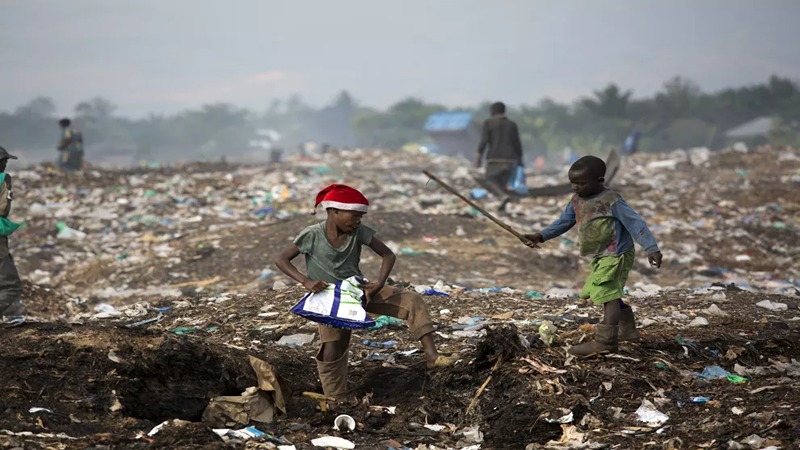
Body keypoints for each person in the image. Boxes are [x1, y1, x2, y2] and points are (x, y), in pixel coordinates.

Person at [273, 184, 457, 400]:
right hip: (329, 298)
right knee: (333, 343)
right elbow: (281, 259)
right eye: (355, 215)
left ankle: (432, 356)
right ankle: (335, 397)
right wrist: (306, 281)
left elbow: (388, 255)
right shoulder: (312, 235)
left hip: (358, 290)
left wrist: (378, 284)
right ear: (335, 211)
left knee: (411, 300)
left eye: (360, 216)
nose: (358, 221)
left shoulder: (358, 232)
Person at [520, 156, 662, 356]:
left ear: (600, 180)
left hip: (617, 254)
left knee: (607, 293)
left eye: (581, 183)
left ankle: (606, 342)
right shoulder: (577, 200)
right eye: (573, 183)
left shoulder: (612, 200)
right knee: (604, 291)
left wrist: (651, 248)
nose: (576, 187)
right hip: (600, 255)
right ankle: (626, 329)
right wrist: (541, 236)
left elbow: (635, 223)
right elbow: (564, 222)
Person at [475, 102, 523, 211]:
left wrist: (479, 158)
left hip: (494, 158)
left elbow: (484, 142)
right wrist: (520, 160)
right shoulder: (512, 125)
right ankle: (503, 207)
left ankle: (503, 197)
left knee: (490, 180)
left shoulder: (488, 123)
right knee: (502, 184)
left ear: (493, 111)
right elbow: (517, 144)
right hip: (510, 159)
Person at [0, 146, 25, 319]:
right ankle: (10, 315)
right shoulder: (3, 178)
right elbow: (3, 209)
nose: (6, 164)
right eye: (4, 161)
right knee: (10, 284)